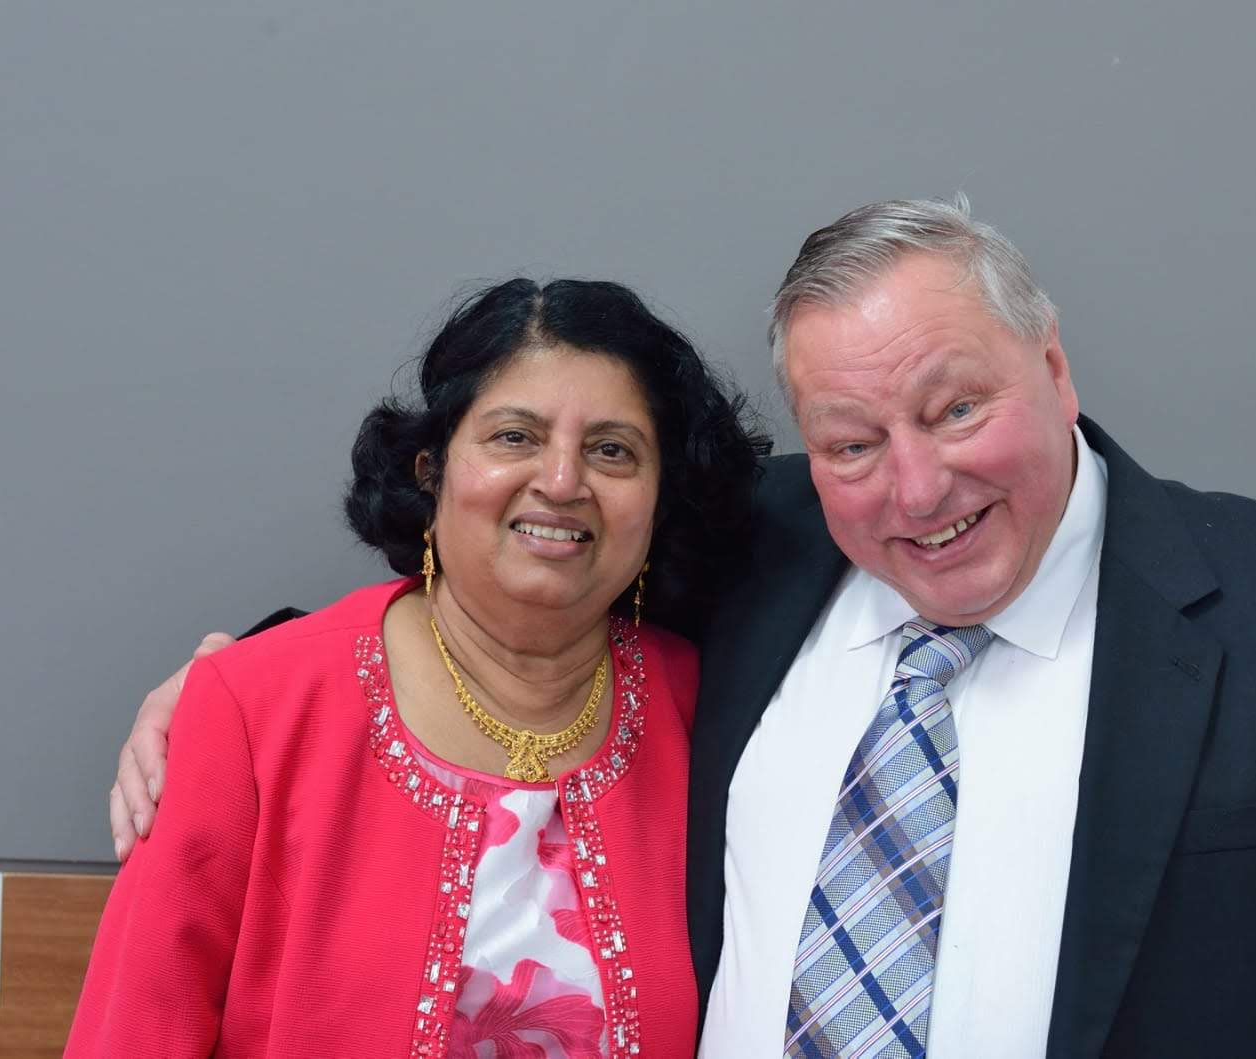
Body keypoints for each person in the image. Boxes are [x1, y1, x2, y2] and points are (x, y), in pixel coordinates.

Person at [113, 199, 1256, 1058]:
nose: (916, 486)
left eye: (957, 408)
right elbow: (518, 590)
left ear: (1054, 365)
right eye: (850, 439)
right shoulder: (768, 549)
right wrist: (232, 682)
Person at [76, 277, 767, 1058]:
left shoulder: (714, 709)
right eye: (515, 436)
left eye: (612, 450)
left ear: (660, 498)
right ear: (430, 469)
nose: (562, 481)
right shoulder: (251, 708)